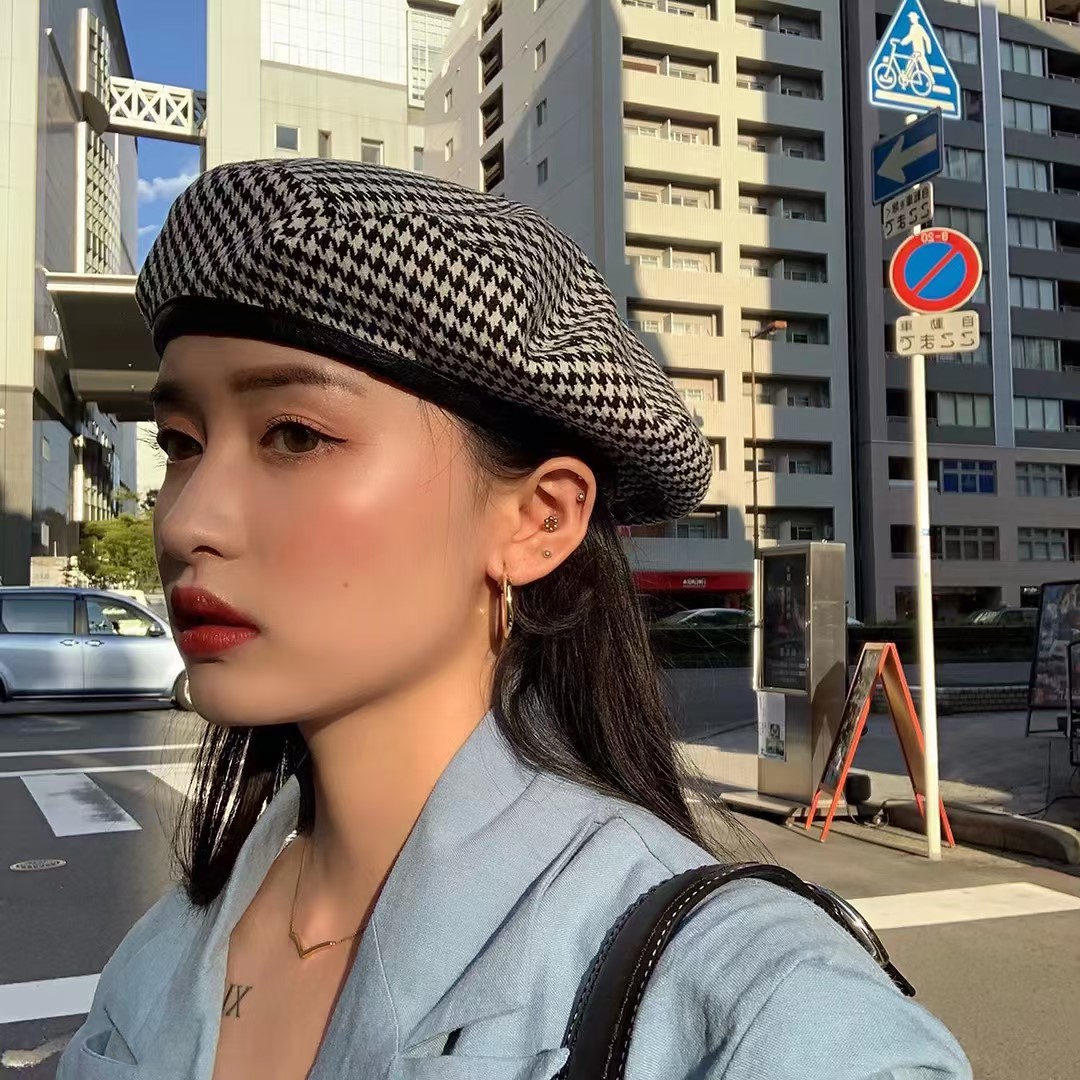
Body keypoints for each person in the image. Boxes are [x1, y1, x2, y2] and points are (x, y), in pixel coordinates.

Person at [57, 160, 971, 1080]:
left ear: (540, 521)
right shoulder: (166, 944)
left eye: (294, 435)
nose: (186, 521)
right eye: (181, 443)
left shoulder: (752, 999)